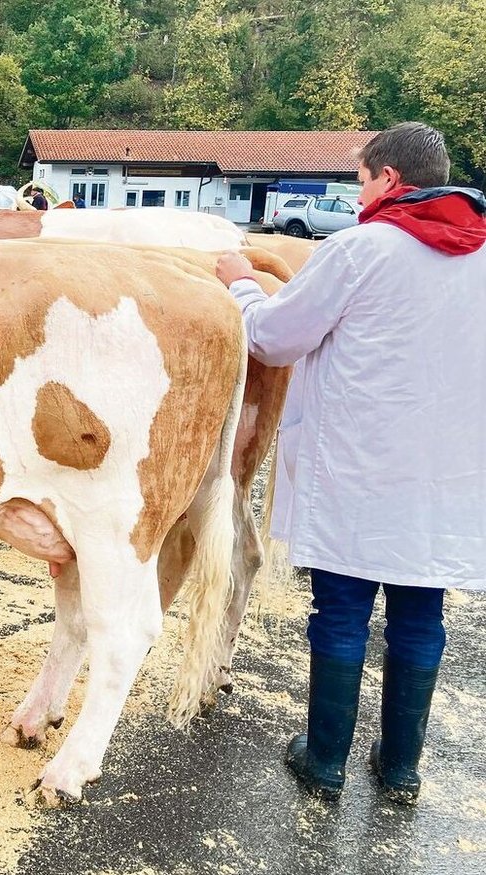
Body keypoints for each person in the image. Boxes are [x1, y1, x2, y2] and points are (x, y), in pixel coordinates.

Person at [213, 122, 486, 805]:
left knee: (340, 612)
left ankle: (325, 759)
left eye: (362, 180)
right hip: (448, 479)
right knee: (421, 615)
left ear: (389, 180)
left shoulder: (360, 248)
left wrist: (243, 285)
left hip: (359, 471)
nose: (359, 194)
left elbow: (275, 339)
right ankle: (400, 768)